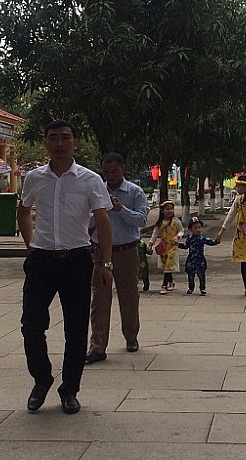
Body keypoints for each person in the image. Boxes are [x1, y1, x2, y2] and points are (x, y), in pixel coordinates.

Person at [17, 120, 113, 415]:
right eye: (53, 138)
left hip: (76, 260)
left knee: (75, 329)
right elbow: (23, 210)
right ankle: (41, 378)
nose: (59, 143)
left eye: (65, 137)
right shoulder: (34, 178)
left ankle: (69, 389)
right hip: (42, 261)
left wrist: (106, 263)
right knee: (31, 325)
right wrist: (31, 245)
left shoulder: (90, 180)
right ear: (46, 143)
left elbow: (103, 221)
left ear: (75, 142)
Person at [85, 152, 149, 364]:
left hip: (126, 251)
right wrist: (99, 212)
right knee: (100, 299)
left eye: (114, 171)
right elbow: (86, 220)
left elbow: (141, 220)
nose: (110, 176)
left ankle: (131, 336)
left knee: (129, 296)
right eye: (106, 172)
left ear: (123, 168)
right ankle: (97, 346)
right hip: (101, 251)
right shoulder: (96, 191)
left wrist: (121, 209)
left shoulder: (134, 192)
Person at [147, 200, 184, 294]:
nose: (169, 211)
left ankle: (164, 285)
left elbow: (181, 230)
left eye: (171, 209)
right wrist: (151, 243)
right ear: (162, 211)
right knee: (166, 266)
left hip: (173, 247)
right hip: (163, 247)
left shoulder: (176, 221)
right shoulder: (160, 223)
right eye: (167, 209)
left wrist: (177, 236)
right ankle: (170, 281)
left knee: (168, 264)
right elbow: (155, 234)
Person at [178, 216, 220, 295]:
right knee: (190, 276)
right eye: (195, 228)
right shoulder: (190, 238)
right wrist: (178, 244)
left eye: (199, 227)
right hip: (191, 260)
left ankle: (202, 288)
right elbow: (186, 246)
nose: (198, 229)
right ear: (191, 229)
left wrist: (217, 240)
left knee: (201, 275)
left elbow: (210, 242)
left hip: (200, 260)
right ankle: (191, 288)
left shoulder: (202, 238)